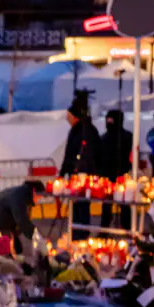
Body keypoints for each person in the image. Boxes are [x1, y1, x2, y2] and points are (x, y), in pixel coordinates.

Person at [59, 91, 99, 240]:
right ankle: (80, 233)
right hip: (87, 174)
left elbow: (70, 154)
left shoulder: (79, 132)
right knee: (81, 206)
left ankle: (79, 235)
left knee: (79, 207)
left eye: (69, 116)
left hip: (81, 175)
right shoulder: (89, 130)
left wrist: (64, 173)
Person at [0, 180, 43, 263]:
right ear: (34, 191)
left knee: (17, 248)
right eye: (39, 197)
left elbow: (21, 220)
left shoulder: (22, 195)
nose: (39, 199)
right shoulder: (18, 197)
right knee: (0, 256)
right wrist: (36, 237)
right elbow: (22, 220)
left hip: (2, 226)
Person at [99, 109, 133, 230]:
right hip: (109, 175)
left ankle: (123, 228)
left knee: (123, 204)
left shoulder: (126, 136)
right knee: (108, 204)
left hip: (121, 175)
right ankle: (106, 228)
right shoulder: (104, 138)